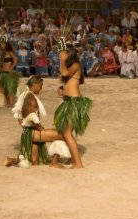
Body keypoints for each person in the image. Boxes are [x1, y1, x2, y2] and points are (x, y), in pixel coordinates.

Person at [5, 75, 66, 167]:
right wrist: (42, 130)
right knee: (61, 135)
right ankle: (54, 162)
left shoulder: (25, 95)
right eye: (40, 85)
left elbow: (18, 115)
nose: (41, 88)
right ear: (34, 85)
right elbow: (32, 119)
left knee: (34, 162)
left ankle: (10, 160)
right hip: (32, 133)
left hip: (26, 133)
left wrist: (24, 126)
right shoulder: (31, 99)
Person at [56, 41, 92, 169]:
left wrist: (61, 60)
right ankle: (73, 159)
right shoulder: (70, 66)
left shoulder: (76, 65)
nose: (62, 55)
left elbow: (64, 73)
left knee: (66, 134)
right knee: (64, 132)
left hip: (74, 103)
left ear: (69, 54)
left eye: (64, 53)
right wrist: (62, 90)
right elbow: (66, 80)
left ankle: (78, 163)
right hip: (67, 101)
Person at [0, 36, 19, 107]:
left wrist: (11, 68)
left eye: (3, 44)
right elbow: (1, 63)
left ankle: (11, 103)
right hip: (3, 73)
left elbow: (15, 60)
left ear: (6, 44)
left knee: (10, 88)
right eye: (1, 44)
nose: (2, 45)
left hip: (8, 73)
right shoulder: (3, 53)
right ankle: (8, 102)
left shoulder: (9, 52)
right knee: (4, 88)